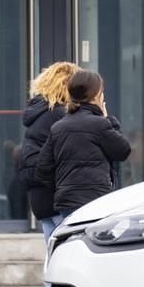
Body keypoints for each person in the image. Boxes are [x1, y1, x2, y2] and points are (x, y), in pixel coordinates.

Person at [35, 70, 132, 234]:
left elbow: (42, 171)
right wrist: (108, 119)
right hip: (96, 201)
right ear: (96, 96)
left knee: (73, 247)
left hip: (67, 203)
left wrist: (64, 186)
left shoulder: (59, 127)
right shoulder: (99, 124)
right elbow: (123, 151)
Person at [18, 62, 81, 241]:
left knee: (54, 256)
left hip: (41, 200)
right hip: (59, 198)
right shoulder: (61, 116)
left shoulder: (39, 112)